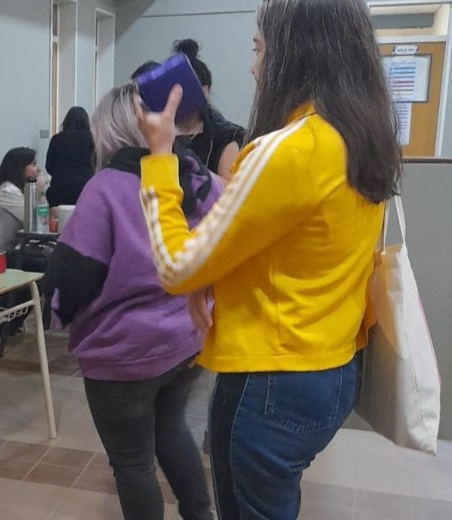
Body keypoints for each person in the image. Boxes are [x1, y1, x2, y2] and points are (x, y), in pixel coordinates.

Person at [136, 0, 401, 518]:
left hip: (270, 383)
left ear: (294, 53)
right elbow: (299, 249)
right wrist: (213, 279)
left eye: (259, 49)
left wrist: (160, 158)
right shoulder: (362, 140)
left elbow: (174, 266)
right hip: (334, 368)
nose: (254, 67)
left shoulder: (286, 150)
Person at [45, 84, 219, 520]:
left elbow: (72, 278)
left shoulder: (105, 189)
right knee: (171, 429)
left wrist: (55, 314)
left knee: (132, 463)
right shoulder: (197, 178)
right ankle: (200, 513)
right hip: (186, 338)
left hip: (123, 352)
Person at [131, 39, 246, 179]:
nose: (176, 95)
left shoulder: (225, 137)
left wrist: (190, 167)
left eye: (183, 87)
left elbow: (230, 188)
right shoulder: (155, 132)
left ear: (203, 92)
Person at [44, 106, 95, 208]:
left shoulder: (57, 139)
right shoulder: (92, 139)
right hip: (86, 190)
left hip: (59, 192)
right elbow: (98, 164)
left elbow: (49, 166)